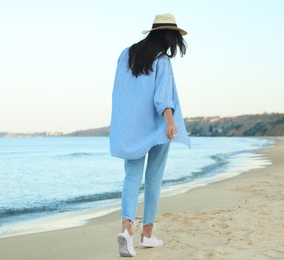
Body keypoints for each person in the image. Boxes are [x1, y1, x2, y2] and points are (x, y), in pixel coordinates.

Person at [109, 13, 191, 257]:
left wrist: (123, 122)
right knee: (153, 179)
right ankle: (147, 235)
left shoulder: (127, 54)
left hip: (130, 125)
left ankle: (126, 231)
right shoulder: (162, 60)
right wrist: (170, 121)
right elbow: (163, 96)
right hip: (156, 126)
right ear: (169, 36)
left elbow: (119, 91)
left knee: (131, 177)